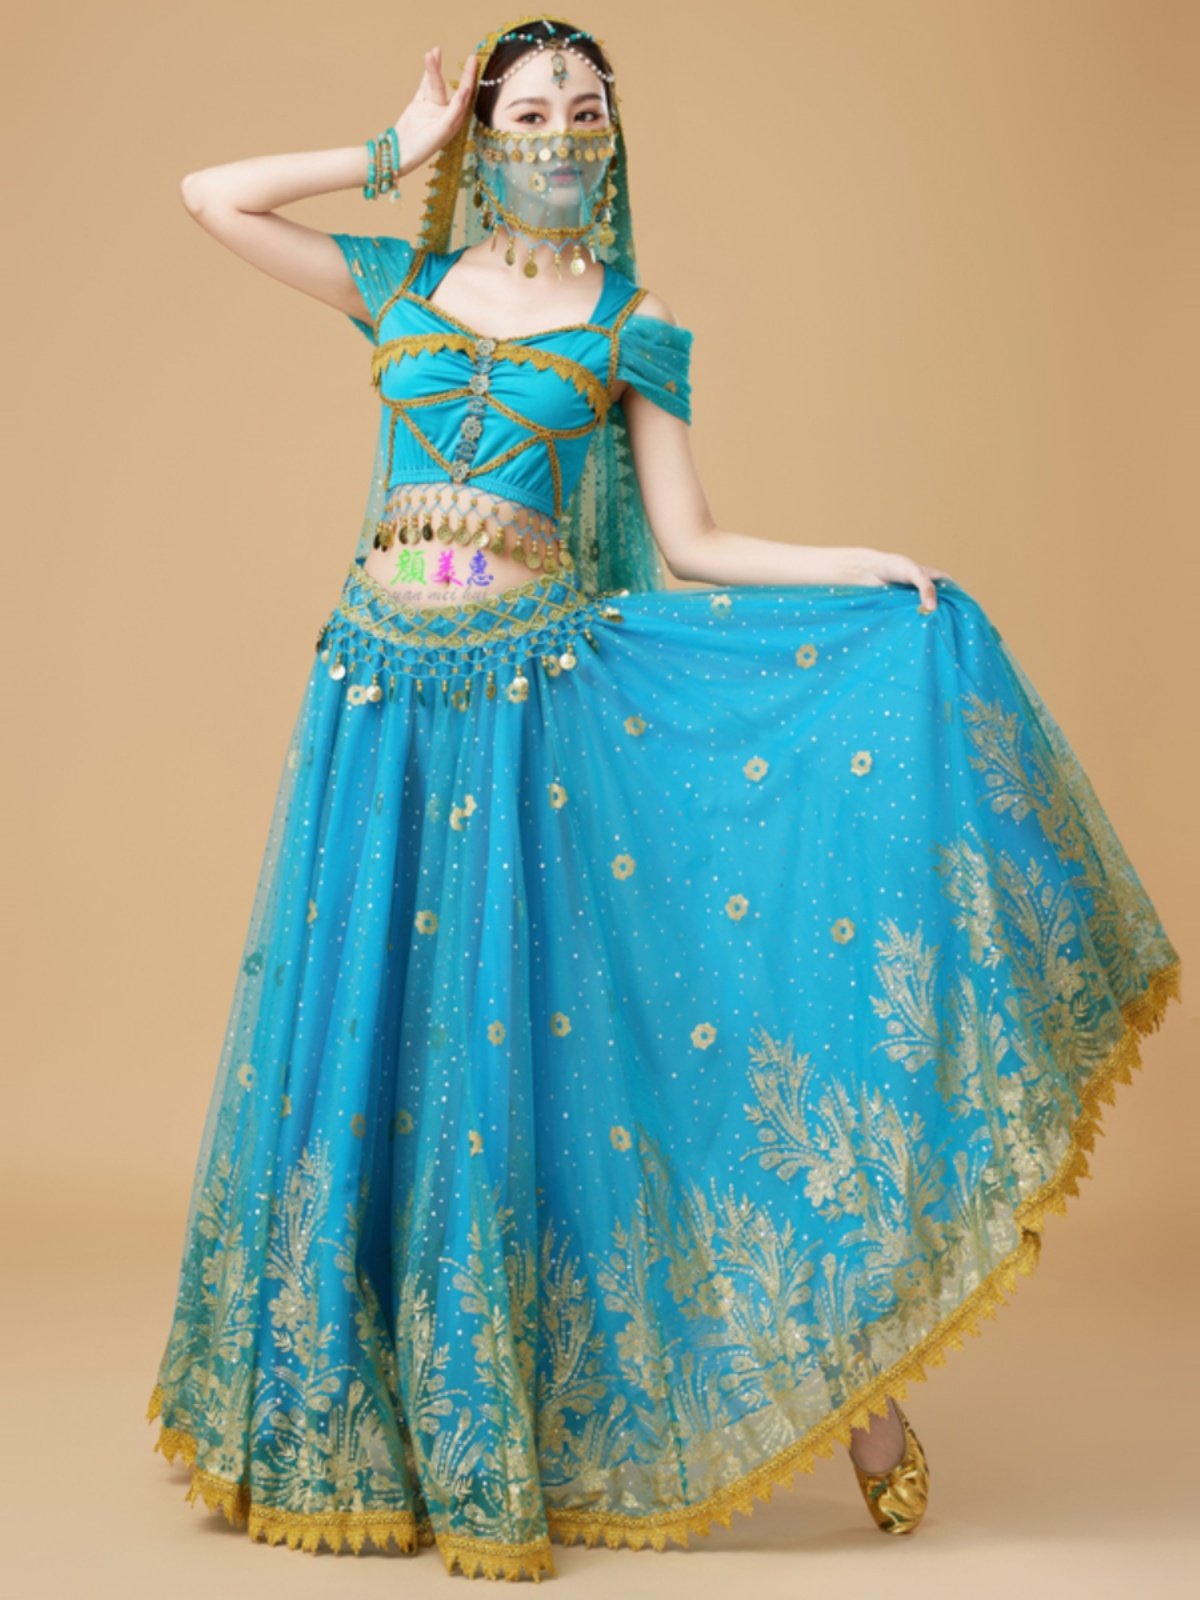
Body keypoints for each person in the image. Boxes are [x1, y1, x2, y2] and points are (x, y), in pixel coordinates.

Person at [144, 15, 1182, 1584]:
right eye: (528, 110)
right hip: (378, 707)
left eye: (584, 108)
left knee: (621, 1066)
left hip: (526, 716)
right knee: (367, 1047)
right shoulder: (401, 283)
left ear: (613, 141)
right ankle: (365, 1405)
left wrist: (862, 567)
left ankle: (853, 1389)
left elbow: (692, 542)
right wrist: (393, 150)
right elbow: (209, 196)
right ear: (487, 135)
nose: (558, 133)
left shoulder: (635, 324)